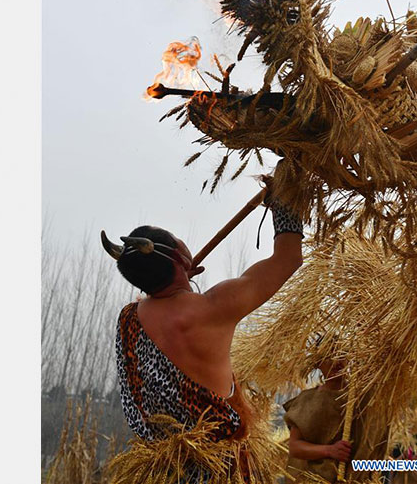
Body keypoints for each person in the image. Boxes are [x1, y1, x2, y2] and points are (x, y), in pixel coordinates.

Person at [100, 169, 304, 460]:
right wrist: (286, 198)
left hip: (168, 470)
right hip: (217, 467)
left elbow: (163, 301)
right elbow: (288, 258)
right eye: (177, 239)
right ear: (177, 257)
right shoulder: (214, 308)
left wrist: (181, 278)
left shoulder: (129, 318)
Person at [283, 356, 387, 483]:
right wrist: (329, 450)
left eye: (342, 355)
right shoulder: (307, 400)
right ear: (318, 363)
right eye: (329, 357)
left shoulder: (365, 398)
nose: (336, 361)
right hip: (312, 479)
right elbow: (295, 447)